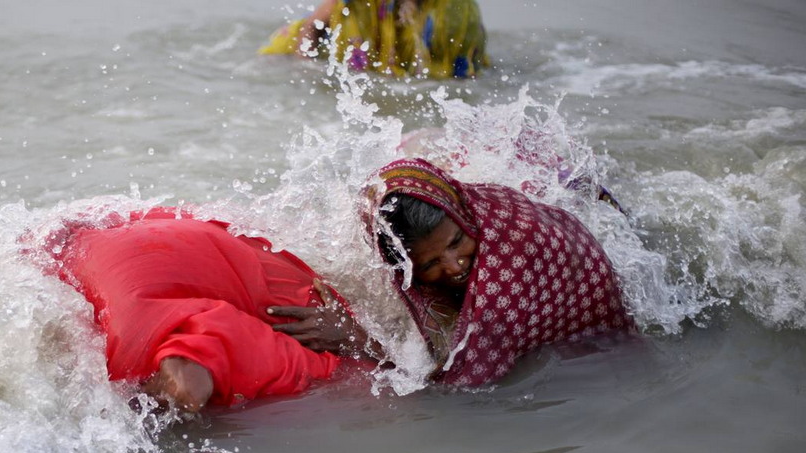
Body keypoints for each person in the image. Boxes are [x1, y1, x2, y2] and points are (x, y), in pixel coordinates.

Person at [268, 158, 637, 386]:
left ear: (462, 214)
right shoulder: (464, 222)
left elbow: (458, 390)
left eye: (457, 241)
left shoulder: (508, 263)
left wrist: (362, 343)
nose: (455, 265)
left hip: (600, 289)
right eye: (428, 264)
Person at [46, 208, 342, 412]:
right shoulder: (322, 356)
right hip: (152, 266)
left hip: (87, 237)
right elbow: (188, 382)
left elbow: (191, 377)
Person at [259, 0, 489, 79]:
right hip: (294, 44)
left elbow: (464, 74)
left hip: (432, 43)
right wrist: (304, 69)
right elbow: (313, 26)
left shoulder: (457, 14)